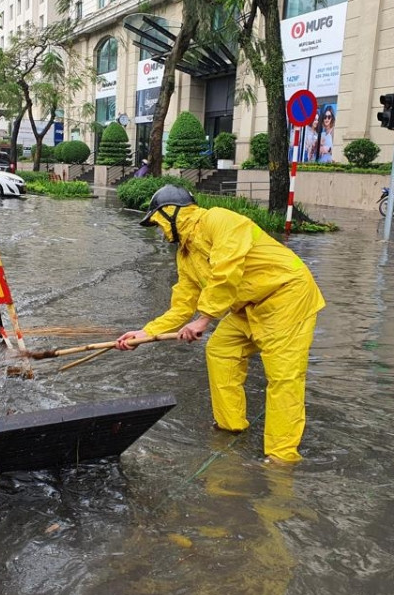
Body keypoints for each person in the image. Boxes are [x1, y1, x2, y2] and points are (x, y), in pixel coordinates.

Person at [116, 185, 325, 464]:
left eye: (158, 221)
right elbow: (182, 304)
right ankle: (231, 425)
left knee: (284, 378)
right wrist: (145, 333)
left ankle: (282, 456)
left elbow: (227, 272)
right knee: (220, 350)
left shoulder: (219, 220)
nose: (159, 230)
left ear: (171, 213)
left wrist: (204, 319)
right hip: (247, 307)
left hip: (286, 296)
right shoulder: (186, 255)